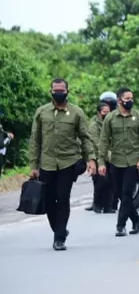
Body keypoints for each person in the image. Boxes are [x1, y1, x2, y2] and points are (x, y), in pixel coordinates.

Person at [29, 78, 97, 251]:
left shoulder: (76, 112)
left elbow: (85, 138)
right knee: (50, 201)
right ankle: (59, 229)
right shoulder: (42, 112)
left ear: (68, 91)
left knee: (63, 198)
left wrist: (91, 159)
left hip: (68, 162)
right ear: (51, 91)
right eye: (55, 90)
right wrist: (34, 166)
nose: (58, 93)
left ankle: (59, 238)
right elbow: (35, 141)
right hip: (47, 163)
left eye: (61, 90)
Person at [98, 87, 139, 237]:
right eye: (127, 99)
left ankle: (120, 225)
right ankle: (137, 220)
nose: (130, 101)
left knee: (127, 193)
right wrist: (101, 162)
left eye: (131, 98)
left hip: (133, 161)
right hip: (116, 161)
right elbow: (103, 141)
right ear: (119, 101)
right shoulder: (111, 118)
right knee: (120, 194)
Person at [89, 102, 114, 214]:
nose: (106, 114)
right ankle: (96, 203)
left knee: (110, 182)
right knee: (101, 181)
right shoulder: (94, 125)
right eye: (104, 112)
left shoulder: (110, 123)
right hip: (99, 156)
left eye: (108, 112)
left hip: (111, 156)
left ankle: (108, 206)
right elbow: (97, 143)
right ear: (99, 113)